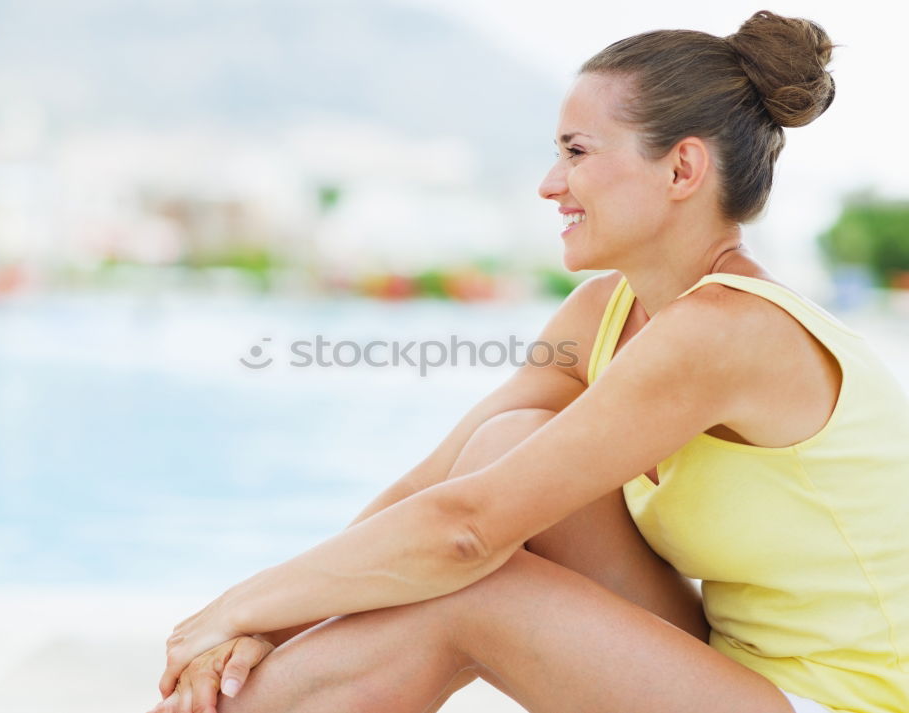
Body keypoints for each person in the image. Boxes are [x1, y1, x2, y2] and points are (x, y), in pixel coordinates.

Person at [148, 10, 909, 713]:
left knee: (472, 590)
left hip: (836, 702)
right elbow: (437, 485)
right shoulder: (605, 312)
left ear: (681, 170)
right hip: (727, 672)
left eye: (576, 153)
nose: (551, 184)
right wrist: (261, 627)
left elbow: (466, 533)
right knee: (503, 443)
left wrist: (233, 607)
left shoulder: (729, 330)